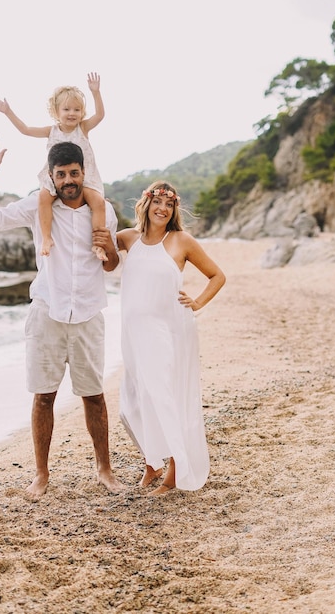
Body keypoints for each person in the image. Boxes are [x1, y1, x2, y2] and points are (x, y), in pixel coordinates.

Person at [0, 132, 125, 499]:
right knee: (43, 397)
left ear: (83, 172)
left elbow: (113, 267)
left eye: (74, 173)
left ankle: (104, 468)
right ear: (51, 176)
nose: (68, 181)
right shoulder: (37, 208)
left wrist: (110, 250)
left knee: (94, 396)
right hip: (46, 313)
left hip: (89, 314)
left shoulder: (104, 211)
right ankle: (41, 474)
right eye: (61, 174)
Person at [117, 181, 226, 496]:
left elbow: (218, 276)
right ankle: (153, 462)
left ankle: (175, 470)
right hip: (133, 334)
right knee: (132, 404)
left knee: (164, 398)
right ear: (146, 204)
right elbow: (97, 244)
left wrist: (197, 303)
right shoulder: (129, 238)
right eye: (157, 202)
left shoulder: (181, 240)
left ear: (174, 209)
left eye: (169, 204)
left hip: (168, 331)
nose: (162, 209)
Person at [0, 72, 106, 259]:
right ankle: (46, 238)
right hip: (57, 178)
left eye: (77, 110)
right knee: (43, 199)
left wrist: (96, 92)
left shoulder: (82, 128)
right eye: (67, 109)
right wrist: (8, 112)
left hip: (83, 176)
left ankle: (98, 245)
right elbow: (25, 130)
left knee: (99, 203)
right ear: (56, 111)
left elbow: (100, 115)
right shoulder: (50, 131)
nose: (72, 114)